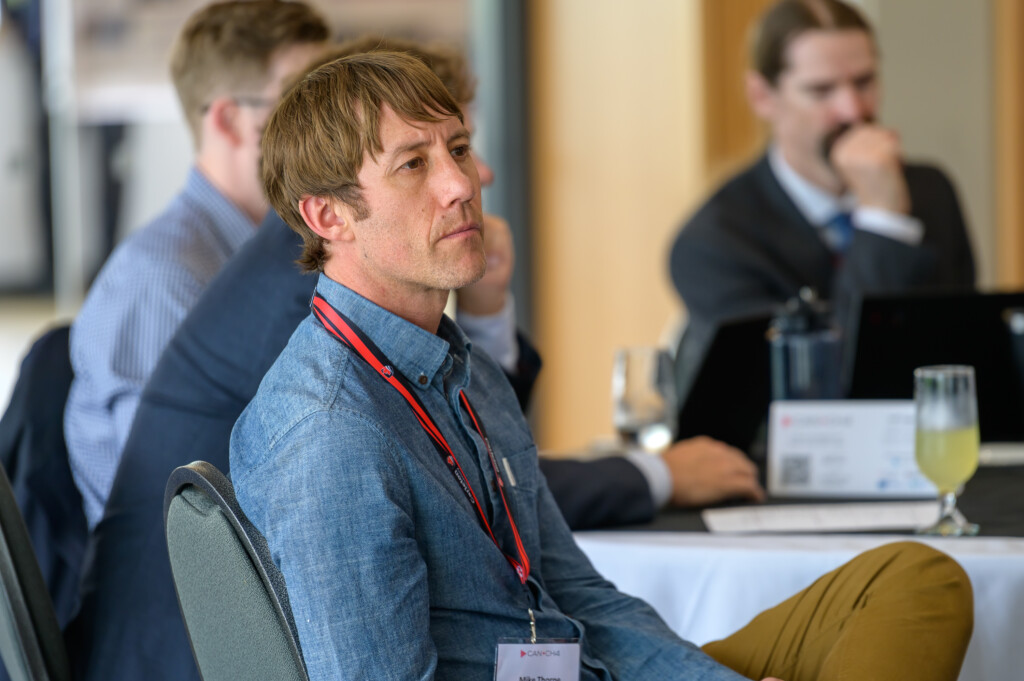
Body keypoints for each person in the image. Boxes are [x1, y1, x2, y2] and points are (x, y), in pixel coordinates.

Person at [232, 50, 972, 681]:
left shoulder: (466, 371)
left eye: (457, 148)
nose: (461, 184)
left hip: (585, 662)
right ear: (329, 218)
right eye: (413, 165)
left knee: (915, 579)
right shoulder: (328, 433)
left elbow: (579, 598)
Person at [63, 0, 329, 528]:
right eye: (300, 103)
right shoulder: (164, 279)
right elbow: (182, 521)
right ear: (230, 120)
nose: (324, 129)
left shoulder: (275, 259)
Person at [669, 0, 975, 384]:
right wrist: (882, 221)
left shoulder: (931, 193)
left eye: (864, 82)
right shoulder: (714, 242)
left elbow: (963, 360)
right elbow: (822, 389)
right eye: (821, 90)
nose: (851, 110)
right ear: (763, 96)